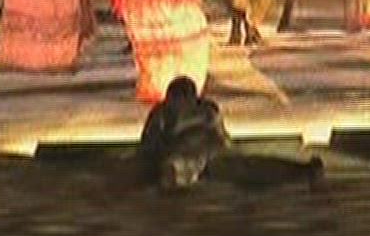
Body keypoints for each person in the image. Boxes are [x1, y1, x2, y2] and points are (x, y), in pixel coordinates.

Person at [139, 75, 325, 190]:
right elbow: (220, 135)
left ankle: (304, 171)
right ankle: (304, 170)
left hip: (195, 153)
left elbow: (149, 143)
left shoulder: (166, 110)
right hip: (208, 152)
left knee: (250, 169)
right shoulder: (204, 108)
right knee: (252, 168)